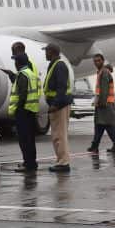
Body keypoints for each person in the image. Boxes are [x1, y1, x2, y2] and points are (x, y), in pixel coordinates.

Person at [9, 51, 40, 174]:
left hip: (23, 111)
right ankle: (32, 162)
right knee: (30, 139)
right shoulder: (31, 74)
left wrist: (17, 109)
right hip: (31, 110)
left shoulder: (22, 75)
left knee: (24, 140)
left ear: (18, 63)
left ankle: (28, 164)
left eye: (15, 61)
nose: (15, 64)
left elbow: (22, 94)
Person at [43, 44, 72, 173]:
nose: (45, 54)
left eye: (47, 51)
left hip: (59, 106)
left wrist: (55, 104)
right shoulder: (55, 64)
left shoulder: (59, 65)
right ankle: (61, 160)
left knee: (60, 135)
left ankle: (63, 163)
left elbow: (61, 87)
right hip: (56, 105)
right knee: (57, 135)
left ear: (52, 52)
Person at [88, 54, 115, 155]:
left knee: (108, 126)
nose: (96, 63)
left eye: (98, 60)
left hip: (105, 104)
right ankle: (95, 146)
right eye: (95, 61)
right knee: (100, 126)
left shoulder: (104, 73)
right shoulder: (101, 72)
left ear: (103, 61)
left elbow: (104, 90)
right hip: (104, 104)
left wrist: (101, 103)